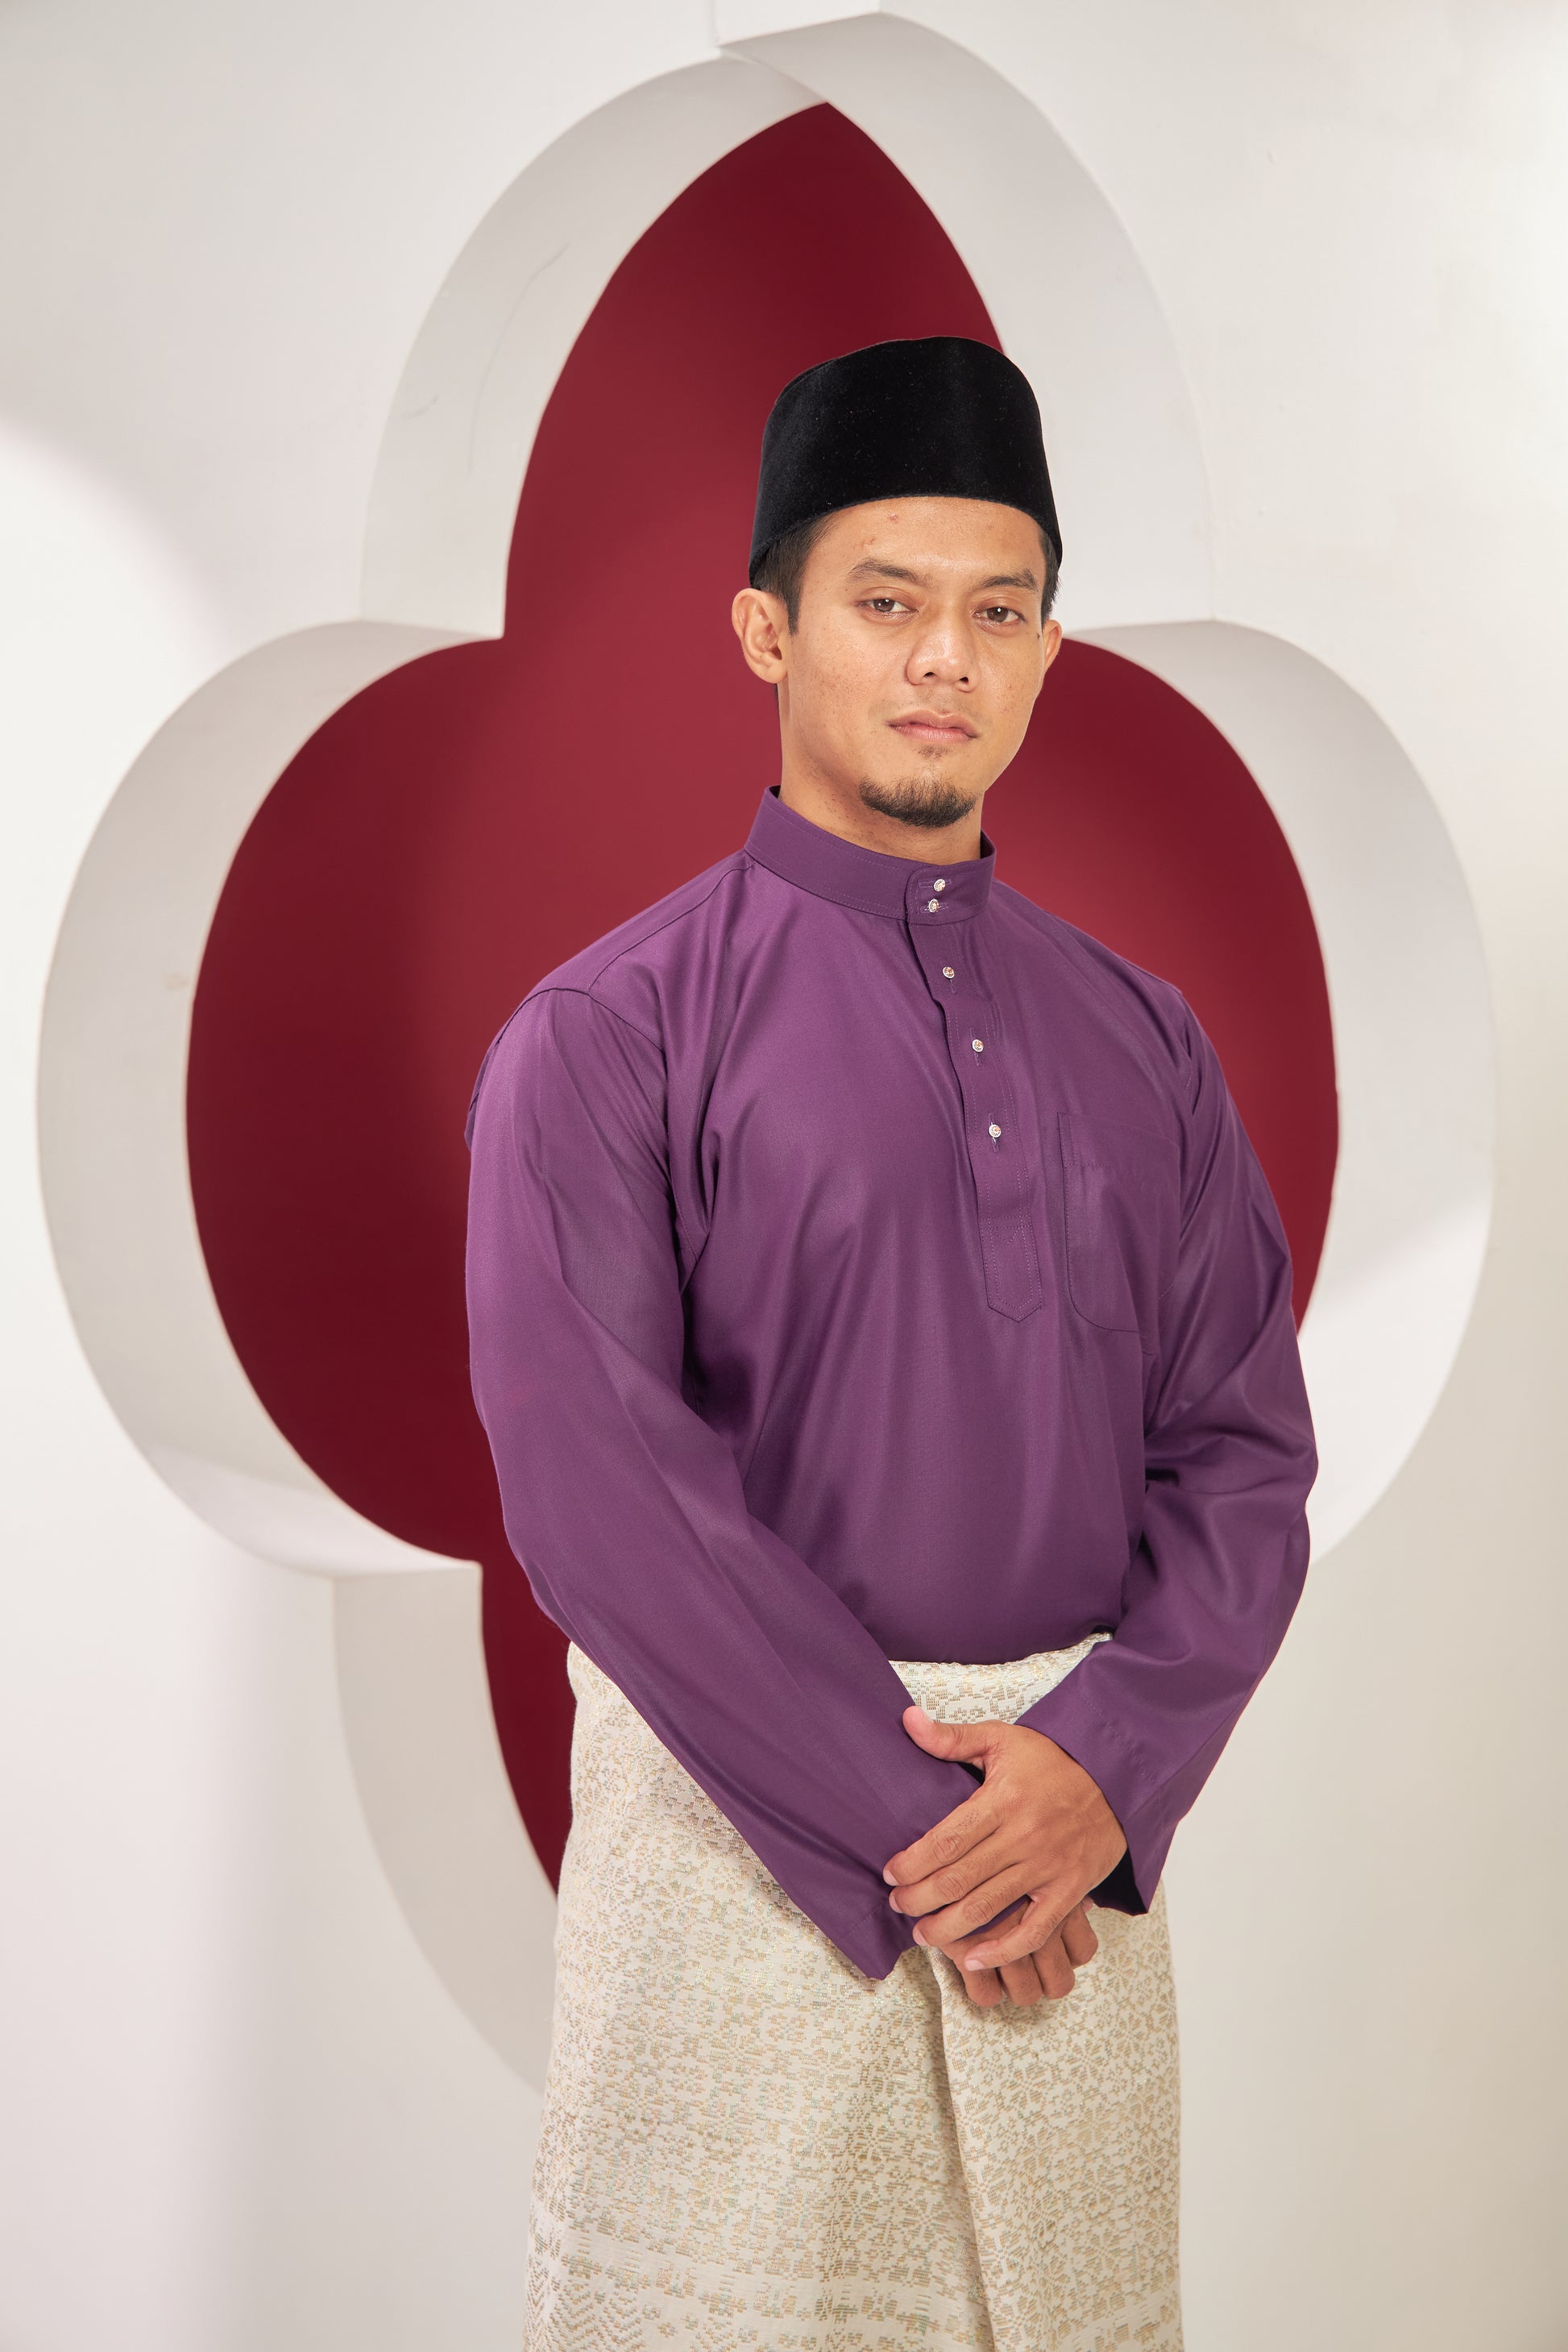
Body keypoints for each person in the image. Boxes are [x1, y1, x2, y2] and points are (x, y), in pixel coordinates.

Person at [465, 335, 1316, 2352]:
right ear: (767, 629)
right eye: (885, 600)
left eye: (998, 611)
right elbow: (604, 1500)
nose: (945, 657)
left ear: (1045, 651)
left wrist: (1100, 1774)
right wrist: (938, 1837)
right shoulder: (610, 1033)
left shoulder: (1147, 1040)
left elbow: (1240, 1454)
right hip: (755, 1876)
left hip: (1067, 1866)